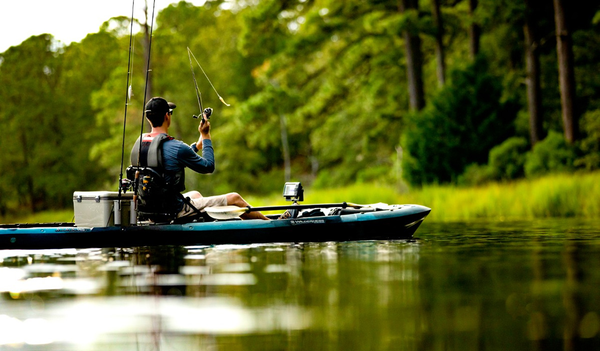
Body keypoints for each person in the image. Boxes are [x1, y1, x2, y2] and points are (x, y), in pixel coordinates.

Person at [130, 97, 269, 220]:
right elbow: (208, 166)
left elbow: (168, 161)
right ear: (167, 116)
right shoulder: (177, 147)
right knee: (235, 198)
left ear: (149, 119)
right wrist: (206, 136)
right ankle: (270, 224)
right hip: (173, 210)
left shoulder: (140, 144)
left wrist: (196, 146)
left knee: (195, 195)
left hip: (151, 211)